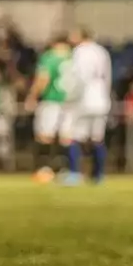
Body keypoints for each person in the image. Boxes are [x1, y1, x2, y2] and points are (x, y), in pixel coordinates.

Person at [59, 28, 113, 185]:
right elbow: (107, 77)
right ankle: (98, 175)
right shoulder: (102, 52)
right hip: (101, 99)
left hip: (83, 100)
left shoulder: (80, 52)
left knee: (73, 136)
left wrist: (70, 98)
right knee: (97, 137)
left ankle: (75, 174)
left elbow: (79, 77)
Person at [27, 32, 71, 183]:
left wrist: (32, 97)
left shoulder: (50, 57)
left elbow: (43, 79)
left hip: (52, 100)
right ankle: (66, 170)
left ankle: (44, 170)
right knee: (66, 136)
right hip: (71, 102)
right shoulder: (74, 57)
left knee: (45, 135)